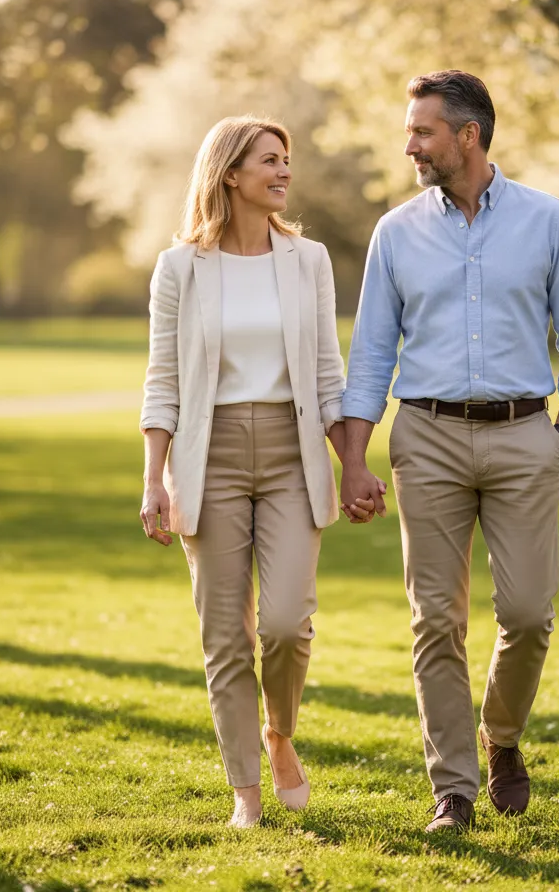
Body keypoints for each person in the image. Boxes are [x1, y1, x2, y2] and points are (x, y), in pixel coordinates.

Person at [340, 71, 559, 833]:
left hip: (526, 436)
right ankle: (451, 790)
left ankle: (502, 736)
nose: (410, 146)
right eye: (409, 132)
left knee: (527, 614)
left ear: (468, 135)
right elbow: (370, 357)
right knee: (435, 619)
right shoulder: (395, 231)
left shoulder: (547, 219)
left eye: (422, 132)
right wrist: (354, 460)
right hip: (426, 438)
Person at [139, 116, 379, 828]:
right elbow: (162, 381)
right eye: (270, 160)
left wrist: (354, 463)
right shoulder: (179, 268)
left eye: (285, 160)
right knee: (225, 634)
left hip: (290, 455)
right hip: (206, 460)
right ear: (230, 174)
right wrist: (153, 478)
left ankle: (279, 733)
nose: (284, 172)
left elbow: (328, 375)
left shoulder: (309, 261)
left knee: (285, 625)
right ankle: (246, 788)